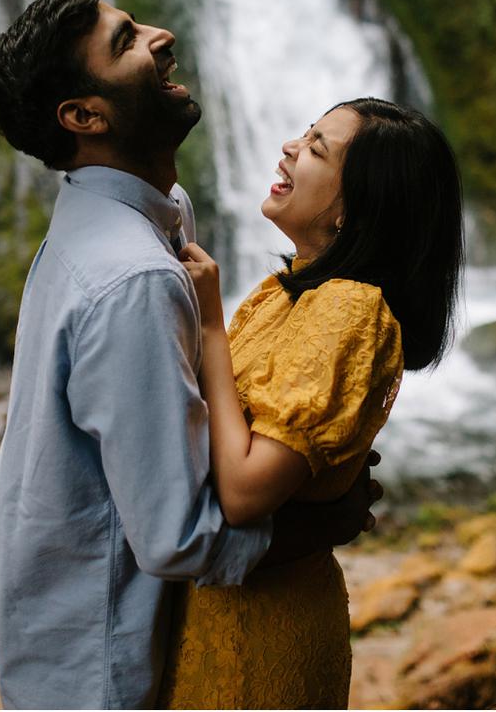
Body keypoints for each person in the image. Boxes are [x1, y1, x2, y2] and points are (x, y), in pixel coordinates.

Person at [0, 0, 382, 709]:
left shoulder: (148, 214)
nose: (161, 36)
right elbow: (178, 540)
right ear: (84, 115)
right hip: (93, 649)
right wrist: (325, 518)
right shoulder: (130, 274)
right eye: (126, 41)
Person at [160, 97, 466, 708]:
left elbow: (246, 493)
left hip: (265, 636)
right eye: (303, 136)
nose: (290, 148)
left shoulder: (353, 310)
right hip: (217, 609)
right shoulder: (281, 293)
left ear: (354, 209)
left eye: (316, 148)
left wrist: (212, 327)